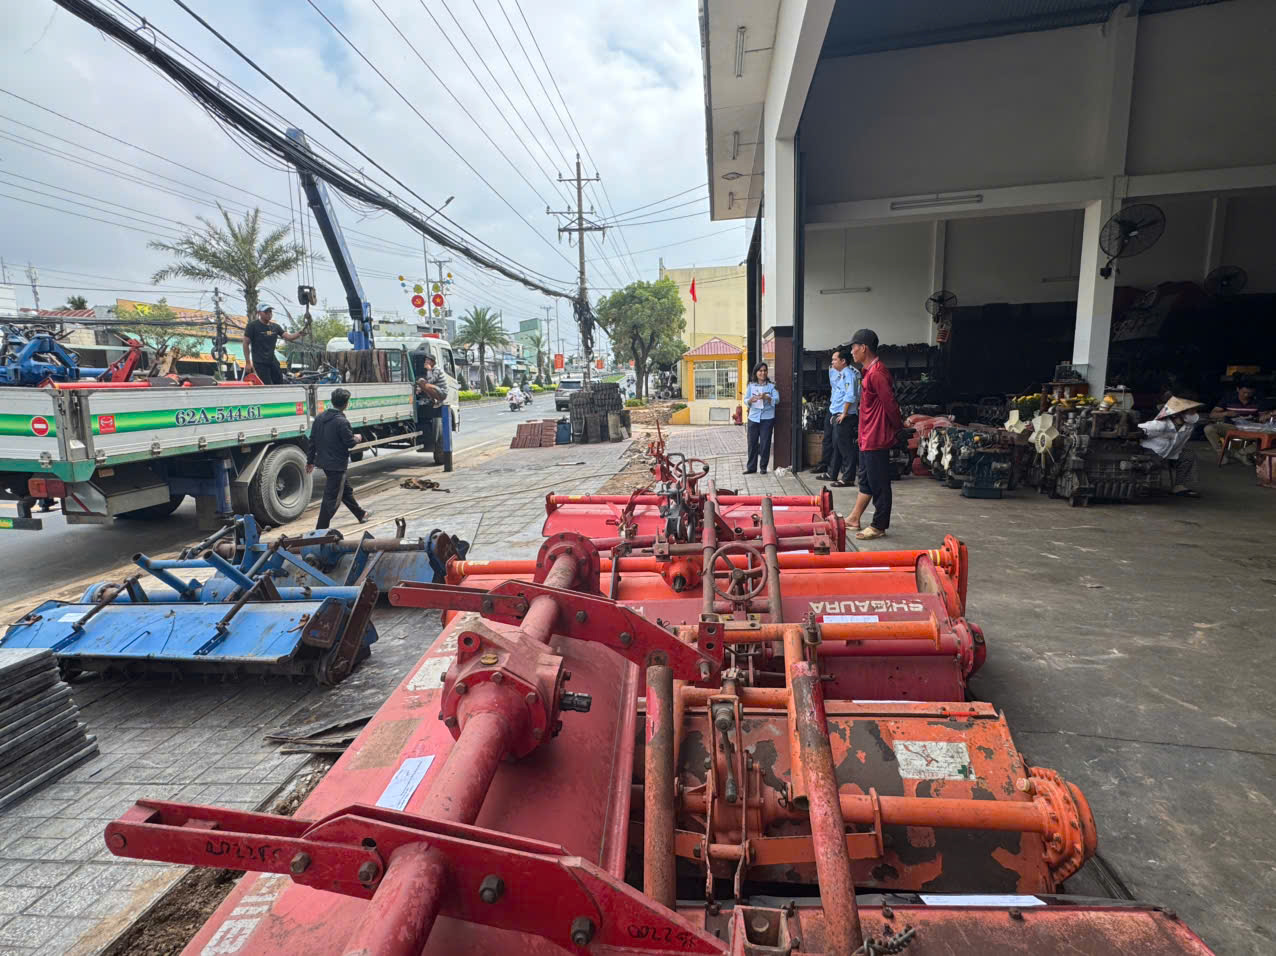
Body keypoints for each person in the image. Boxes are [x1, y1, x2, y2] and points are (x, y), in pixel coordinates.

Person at [845, 329, 900, 540]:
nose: (852, 351)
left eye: (853, 347)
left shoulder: (877, 373)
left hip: (876, 438)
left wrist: (898, 429)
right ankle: (854, 518)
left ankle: (879, 525)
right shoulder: (869, 372)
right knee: (867, 481)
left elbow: (890, 405)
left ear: (864, 348)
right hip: (867, 436)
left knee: (880, 484)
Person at [307, 387, 370, 528]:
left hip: (325, 463)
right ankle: (320, 530)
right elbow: (350, 443)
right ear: (346, 404)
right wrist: (357, 438)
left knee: (345, 491)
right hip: (337, 465)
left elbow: (312, 440)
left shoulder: (319, 418)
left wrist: (310, 461)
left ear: (332, 401)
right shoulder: (342, 421)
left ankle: (361, 514)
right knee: (332, 498)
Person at [1139, 396, 1204, 497]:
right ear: (1177, 414)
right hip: (1150, 454)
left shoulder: (1189, 427)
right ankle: (1142, 484)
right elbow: (1138, 430)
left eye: (1194, 411)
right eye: (1191, 411)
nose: (1194, 413)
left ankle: (1179, 487)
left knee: (1188, 455)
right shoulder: (1159, 424)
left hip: (1169, 455)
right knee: (1153, 463)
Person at [814, 346, 859, 487]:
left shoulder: (849, 375)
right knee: (837, 446)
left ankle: (848, 478)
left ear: (843, 361)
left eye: (834, 360)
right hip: (837, 413)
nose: (832, 362)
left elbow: (850, 395)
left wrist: (844, 413)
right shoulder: (840, 374)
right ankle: (832, 473)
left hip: (845, 416)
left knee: (845, 448)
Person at [1203, 379, 1273, 464]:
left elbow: (1263, 417)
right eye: (1244, 392)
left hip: (1251, 429)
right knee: (1209, 429)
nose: (1246, 395)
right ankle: (1222, 453)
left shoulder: (1258, 400)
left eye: (1249, 393)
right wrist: (1226, 413)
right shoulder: (1228, 398)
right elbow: (1212, 415)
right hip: (1231, 426)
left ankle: (1242, 453)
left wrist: (1265, 416)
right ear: (1238, 389)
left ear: (1253, 391)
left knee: (1269, 437)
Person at [243, 305, 307, 385]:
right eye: (266, 312)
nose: (269, 314)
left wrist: (299, 333)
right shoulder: (252, 326)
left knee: (280, 381)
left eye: (270, 311)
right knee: (266, 384)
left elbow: (289, 337)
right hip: (259, 362)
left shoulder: (275, 327)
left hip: (272, 360)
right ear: (259, 313)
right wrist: (248, 363)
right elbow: (245, 343)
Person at [743, 361, 780, 474]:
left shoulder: (772, 386)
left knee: (765, 443)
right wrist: (750, 400)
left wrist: (767, 398)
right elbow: (745, 400)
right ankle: (751, 468)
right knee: (752, 443)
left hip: (767, 419)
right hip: (753, 418)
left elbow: (777, 400)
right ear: (756, 372)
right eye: (760, 371)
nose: (763, 373)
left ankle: (763, 467)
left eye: (765, 371)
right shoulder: (751, 385)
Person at [415, 354, 447, 455]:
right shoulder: (433, 369)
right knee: (421, 381)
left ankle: (437, 400)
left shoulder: (436, 369)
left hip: (442, 393)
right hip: (436, 390)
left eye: (427, 361)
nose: (425, 363)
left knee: (425, 383)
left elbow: (430, 381)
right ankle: (432, 399)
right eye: (425, 361)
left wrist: (428, 370)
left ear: (432, 362)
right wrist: (420, 388)